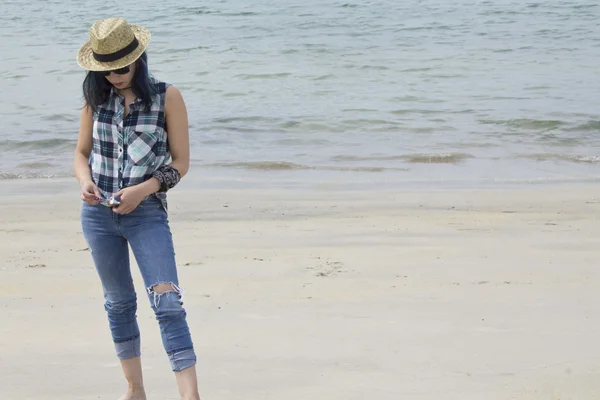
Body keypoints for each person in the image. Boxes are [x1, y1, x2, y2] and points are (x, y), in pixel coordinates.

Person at [73, 17, 200, 400]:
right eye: (106, 70)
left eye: (121, 68)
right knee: (119, 303)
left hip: (146, 214)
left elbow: (180, 164)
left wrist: (142, 190)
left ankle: (190, 396)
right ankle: (136, 390)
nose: (115, 77)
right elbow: (81, 154)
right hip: (98, 216)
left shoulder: (167, 96)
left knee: (168, 302)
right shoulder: (95, 100)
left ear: (138, 58)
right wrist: (85, 183)